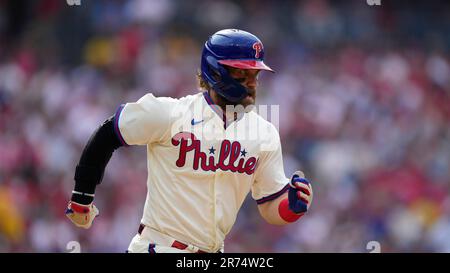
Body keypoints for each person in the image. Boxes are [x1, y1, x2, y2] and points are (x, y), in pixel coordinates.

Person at [65, 29, 313, 253]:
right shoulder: (170, 114)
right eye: (242, 73)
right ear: (216, 70)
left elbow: (270, 205)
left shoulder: (264, 133)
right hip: (159, 247)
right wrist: (81, 196)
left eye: (255, 74)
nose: (252, 83)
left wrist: (291, 207)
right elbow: (108, 134)